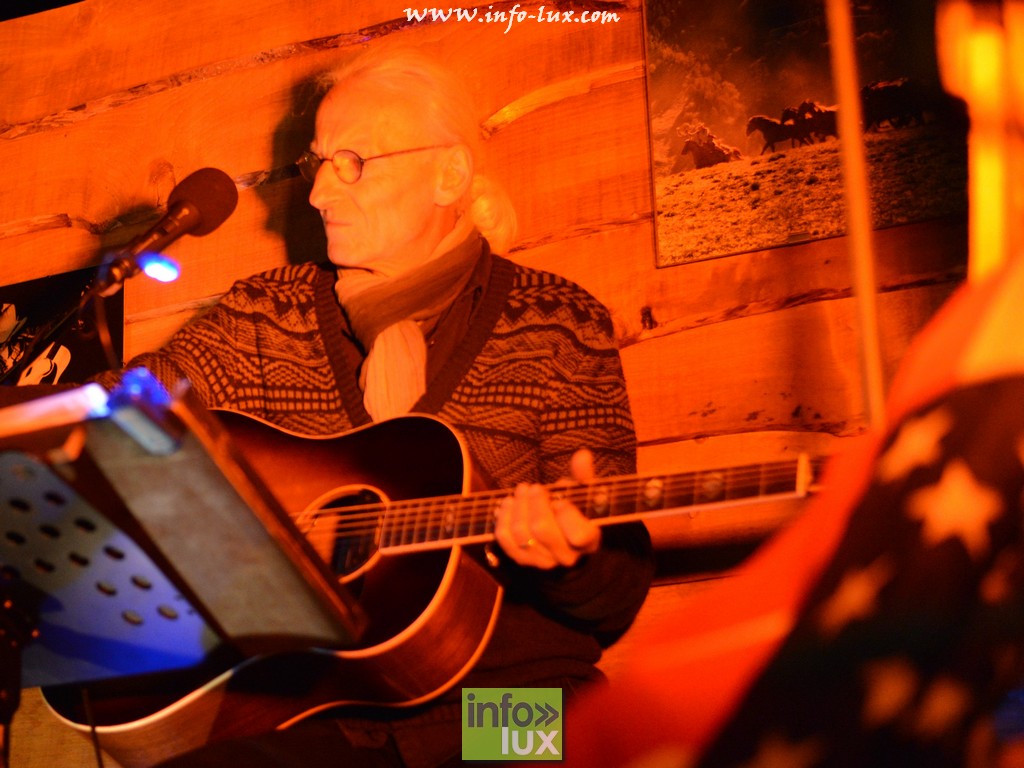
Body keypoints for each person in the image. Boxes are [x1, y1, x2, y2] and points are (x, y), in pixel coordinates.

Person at [95, 46, 654, 767]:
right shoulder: (263, 315)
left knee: (576, 739)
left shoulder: (558, 322)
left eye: (353, 162)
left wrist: (574, 559)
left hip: (512, 704)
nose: (320, 194)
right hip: (323, 716)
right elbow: (117, 421)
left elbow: (616, 596)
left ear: (449, 174)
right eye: (318, 163)